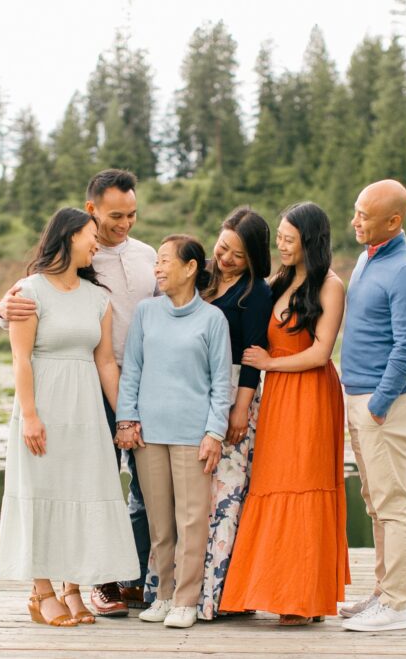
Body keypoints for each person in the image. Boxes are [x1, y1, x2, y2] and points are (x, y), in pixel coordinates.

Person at [0, 169, 155, 616]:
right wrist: (29, 415)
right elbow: (20, 358)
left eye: (132, 214)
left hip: (90, 404)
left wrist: (126, 413)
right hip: (45, 402)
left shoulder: (99, 292)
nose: (99, 243)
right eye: (93, 234)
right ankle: (42, 591)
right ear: (76, 231)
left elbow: (105, 361)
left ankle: (74, 588)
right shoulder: (29, 291)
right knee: (43, 489)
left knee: (84, 490)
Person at [220, 202, 350, 625]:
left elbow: (320, 351)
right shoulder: (278, 282)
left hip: (310, 394)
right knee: (271, 483)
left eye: (289, 239)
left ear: (310, 241)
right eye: (278, 238)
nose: (281, 245)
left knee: (304, 485)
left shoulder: (329, 286)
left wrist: (270, 363)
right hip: (277, 397)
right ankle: (268, 588)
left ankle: (302, 597)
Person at [139, 208, 273, 619]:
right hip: (187, 391)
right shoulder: (202, 277)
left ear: (253, 258)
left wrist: (240, 409)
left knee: (223, 500)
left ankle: (214, 595)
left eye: (238, 254)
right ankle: (168, 590)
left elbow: (250, 358)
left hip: (233, 394)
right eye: (223, 247)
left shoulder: (255, 292)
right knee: (177, 503)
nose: (227, 258)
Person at [116, 234, 232, 629]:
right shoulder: (147, 313)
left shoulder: (213, 319)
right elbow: (131, 370)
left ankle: (186, 600)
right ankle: (163, 595)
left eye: (166, 261)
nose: (158, 268)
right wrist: (126, 420)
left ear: (190, 267)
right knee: (159, 524)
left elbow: (222, 383)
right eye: (157, 261)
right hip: (149, 436)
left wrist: (214, 433)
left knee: (191, 521)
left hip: (192, 436)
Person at [338, 179, 406, 633]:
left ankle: (398, 607)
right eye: (355, 211)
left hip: (386, 405)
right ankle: (381, 593)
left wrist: (376, 404)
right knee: (375, 503)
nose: (355, 221)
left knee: (395, 505)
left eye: (364, 215)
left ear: (393, 221)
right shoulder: (365, 259)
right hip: (359, 399)